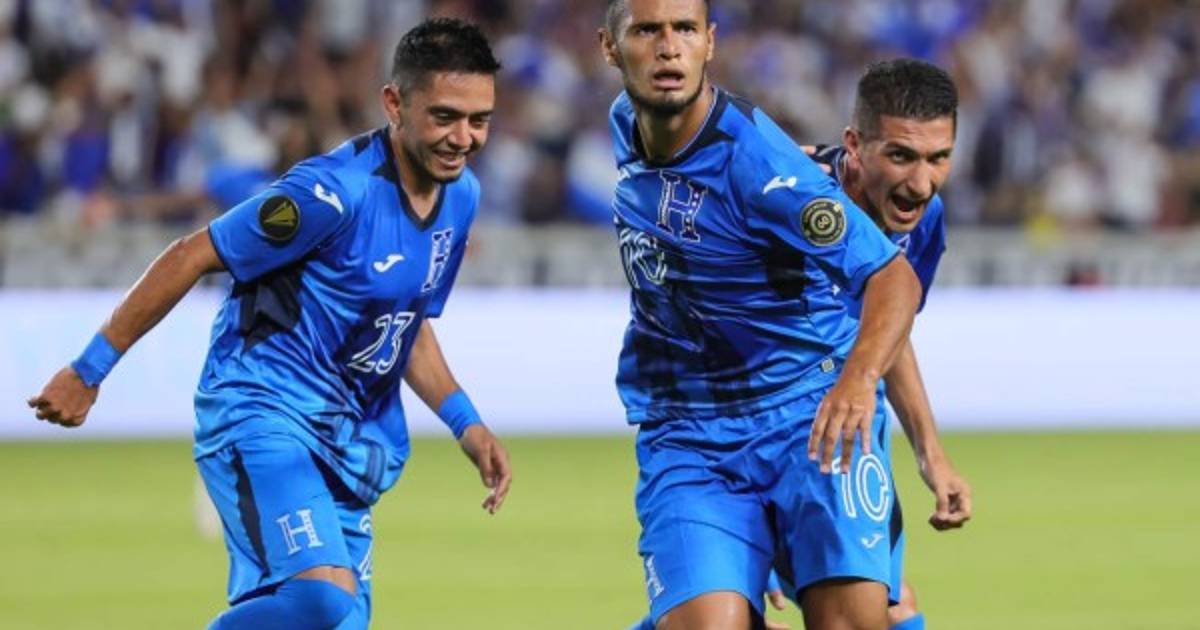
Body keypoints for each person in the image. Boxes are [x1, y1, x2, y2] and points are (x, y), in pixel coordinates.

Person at [27, 17, 512, 630]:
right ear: (394, 103)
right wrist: (88, 369)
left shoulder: (461, 198)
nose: (463, 137)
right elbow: (191, 254)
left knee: (334, 619)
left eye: (479, 120)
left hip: (348, 446)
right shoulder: (331, 194)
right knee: (321, 596)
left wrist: (467, 424)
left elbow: (403, 326)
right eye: (445, 116)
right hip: (263, 411)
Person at [600, 2, 925, 629]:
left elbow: (892, 277)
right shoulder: (627, 123)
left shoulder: (761, 165)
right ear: (610, 48)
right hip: (688, 433)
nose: (668, 47)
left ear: (710, 42)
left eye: (684, 29)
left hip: (807, 419)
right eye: (646, 31)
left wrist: (859, 380)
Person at [764, 58, 975, 630]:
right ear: (855, 145)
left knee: (891, 605)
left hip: (844, 440)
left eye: (939, 158)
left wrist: (931, 455)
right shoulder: (781, 198)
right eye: (902, 156)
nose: (922, 184)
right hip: (756, 435)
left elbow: (887, 334)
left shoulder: (924, 220)